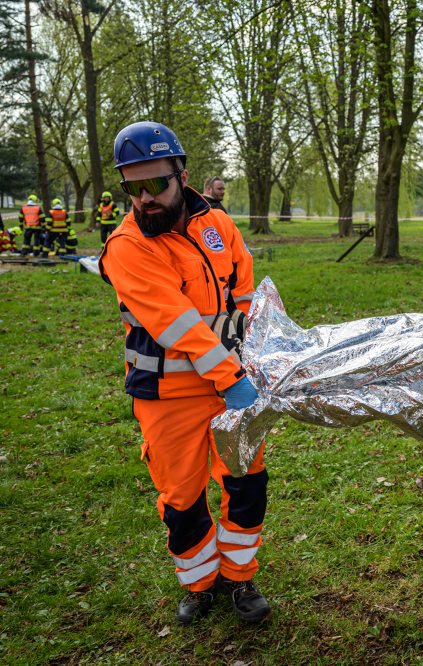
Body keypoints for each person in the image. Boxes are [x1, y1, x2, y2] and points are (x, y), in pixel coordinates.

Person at [98, 121, 269, 626]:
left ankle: (240, 576)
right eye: (133, 187)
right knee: (182, 499)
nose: (145, 198)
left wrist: (252, 352)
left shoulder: (217, 224)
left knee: (246, 484)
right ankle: (200, 583)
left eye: (156, 184)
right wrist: (232, 378)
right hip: (168, 395)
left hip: (232, 385)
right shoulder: (127, 246)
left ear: (182, 175)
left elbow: (242, 291)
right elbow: (180, 325)